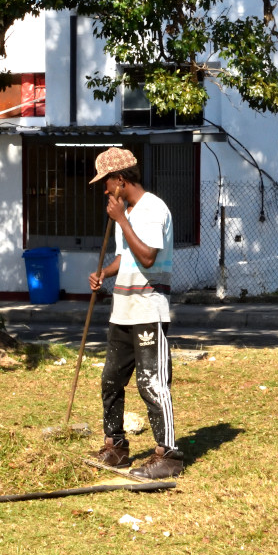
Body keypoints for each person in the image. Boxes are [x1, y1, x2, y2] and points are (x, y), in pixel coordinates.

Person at [87, 147, 183, 479]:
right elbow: (125, 257)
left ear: (121, 180)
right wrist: (104, 273)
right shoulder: (125, 213)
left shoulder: (152, 210)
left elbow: (146, 258)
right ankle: (115, 447)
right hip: (123, 312)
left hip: (148, 310)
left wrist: (122, 220)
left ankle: (168, 455)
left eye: (106, 181)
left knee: (151, 382)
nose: (104, 189)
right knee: (111, 379)